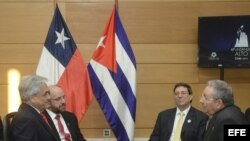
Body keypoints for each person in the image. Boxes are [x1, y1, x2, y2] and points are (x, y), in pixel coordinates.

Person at [11, 75, 60, 141]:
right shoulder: (25, 119)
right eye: (45, 94)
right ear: (32, 98)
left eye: (49, 93)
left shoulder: (38, 113)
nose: (49, 97)